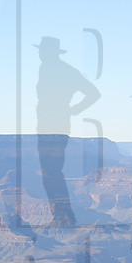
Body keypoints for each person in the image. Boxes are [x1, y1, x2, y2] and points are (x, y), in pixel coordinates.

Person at [33, 36, 100, 227]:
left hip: (55, 127)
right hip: (47, 126)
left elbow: (93, 93)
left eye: (42, 50)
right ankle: (61, 216)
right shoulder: (45, 69)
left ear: (49, 52)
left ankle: (64, 217)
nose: (40, 53)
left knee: (51, 172)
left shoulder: (65, 71)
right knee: (49, 172)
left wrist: (72, 110)